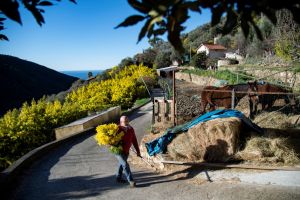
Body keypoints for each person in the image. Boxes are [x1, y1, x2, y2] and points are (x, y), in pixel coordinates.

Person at [115, 115, 141, 187]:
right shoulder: (117, 129)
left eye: (127, 121)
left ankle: (118, 177)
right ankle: (131, 181)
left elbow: (134, 140)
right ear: (120, 122)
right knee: (125, 165)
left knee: (122, 164)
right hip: (118, 151)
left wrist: (138, 151)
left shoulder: (131, 129)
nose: (126, 123)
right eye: (124, 121)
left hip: (126, 151)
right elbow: (111, 140)